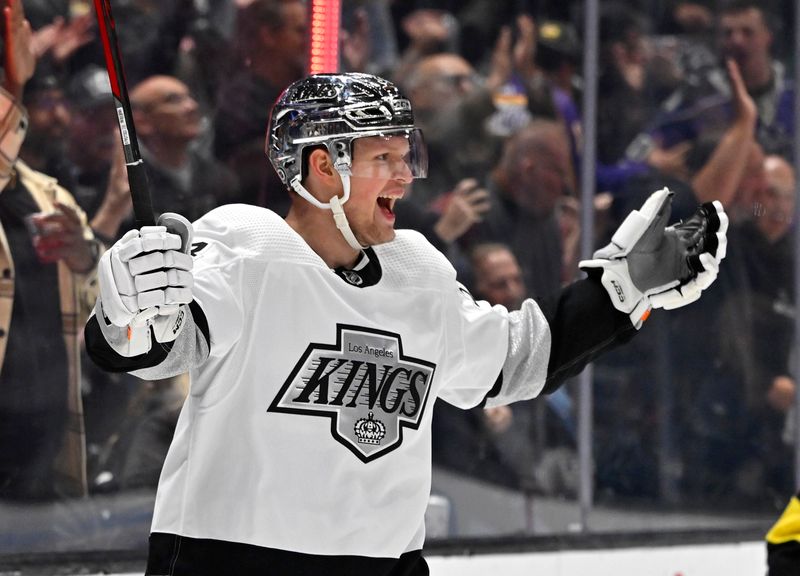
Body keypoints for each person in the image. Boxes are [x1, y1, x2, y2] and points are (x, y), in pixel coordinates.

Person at [85, 72, 727, 574]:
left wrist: (621, 292)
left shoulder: (418, 272)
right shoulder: (243, 248)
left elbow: (513, 361)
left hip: (384, 565)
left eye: (406, 154)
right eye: (384, 158)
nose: (406, 176)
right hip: (232, 561)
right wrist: (126, 309)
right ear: (322, 167)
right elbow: (152, 347)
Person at [0, 0, 101, 500]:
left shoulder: (50, 195)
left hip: (45, 417)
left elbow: (102, 310)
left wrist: (86, 257)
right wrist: (16, 80)